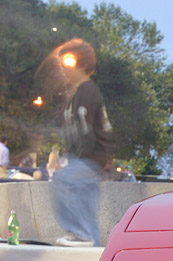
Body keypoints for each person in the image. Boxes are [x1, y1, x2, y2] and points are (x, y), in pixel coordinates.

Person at [50, 39, 114, 247]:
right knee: (87, 205)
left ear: (83, 65)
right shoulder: (75, 92)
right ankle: (93, 250)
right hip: (89, 156)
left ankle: (81, 234)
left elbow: (85, 131)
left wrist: (71, 159)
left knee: (63, 180)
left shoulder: (86, 90)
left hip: (91, 156)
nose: (64, 69)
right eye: (62, 64)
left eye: (69, 63)